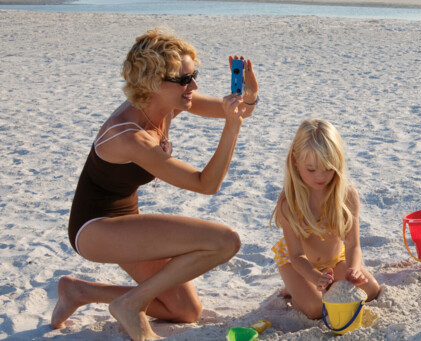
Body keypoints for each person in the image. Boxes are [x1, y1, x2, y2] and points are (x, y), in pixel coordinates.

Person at [51, 27, 259, 340]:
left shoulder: (169, 103)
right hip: (95, 229)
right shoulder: (131, 137)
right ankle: (131, 304)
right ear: (152, 81)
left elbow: (231, 109)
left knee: (185, 311)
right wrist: (232, 129)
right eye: (184, 79)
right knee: (224, 241)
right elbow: (206, 185)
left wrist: (250, 97)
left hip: (124, 218)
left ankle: (79, 291)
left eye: (194, 75)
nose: (194, 85)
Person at [271, 118, 381, 319]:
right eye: (311, 169)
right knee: (315, 309)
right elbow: (296, 256)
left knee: (370, 291)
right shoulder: (289, 202)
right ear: (295, 161)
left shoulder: (346, 196)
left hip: (334, 261)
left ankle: (314, 288)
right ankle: (293, 290)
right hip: (298, 266)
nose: (320, 176)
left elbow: (353, 245)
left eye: (328, 168)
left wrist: (354, 270)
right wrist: (314, 277)